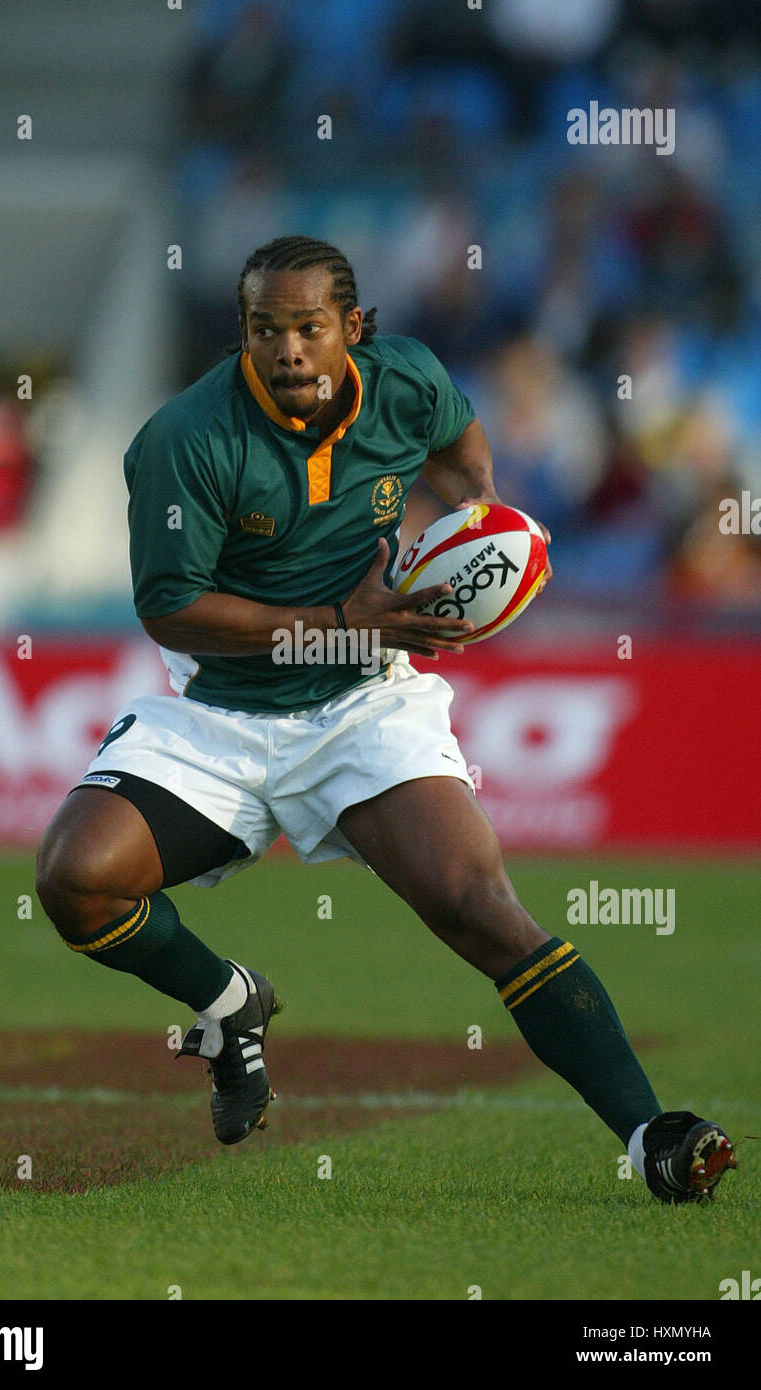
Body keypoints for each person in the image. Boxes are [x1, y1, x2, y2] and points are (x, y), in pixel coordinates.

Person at [36, 236, 735, 1203]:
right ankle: (227, 1002)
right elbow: (170, 607)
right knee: (75, 882)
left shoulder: (405, 382)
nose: (285, 350)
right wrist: (333, 622)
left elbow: (457, 445)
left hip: (365, 703)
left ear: (353, 331)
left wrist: (475, 519)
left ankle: (650, 1133)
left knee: (478, 908)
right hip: (219, 713)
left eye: (308, 329)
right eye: (264, 329)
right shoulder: (184, 438)